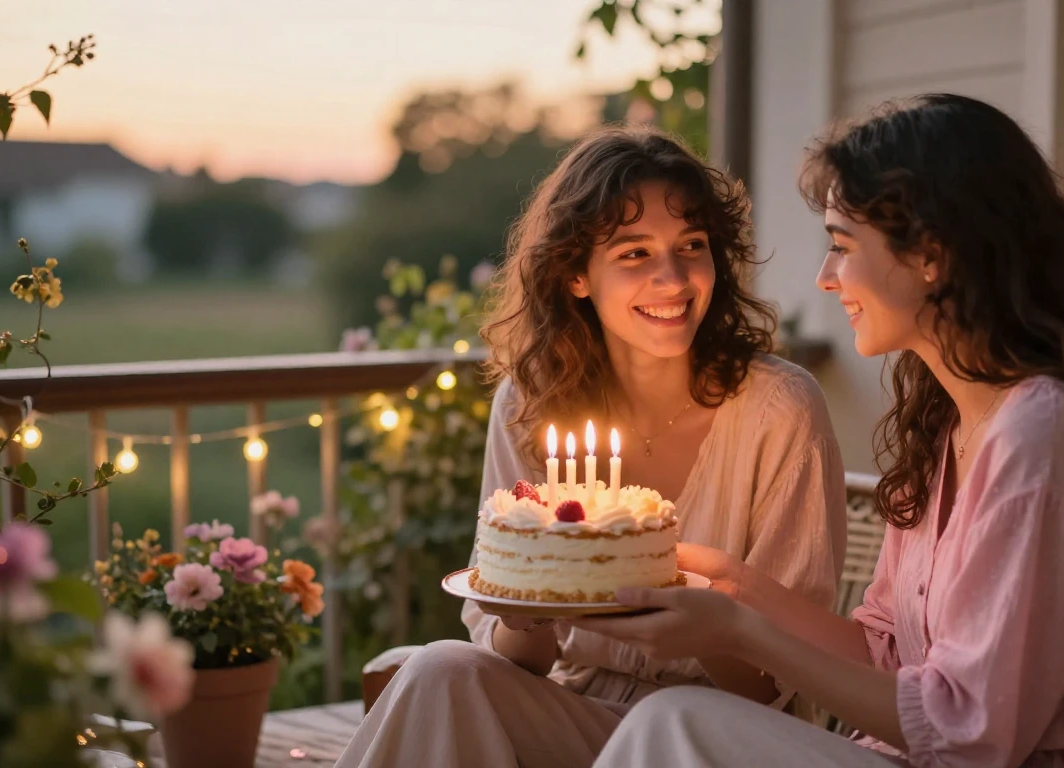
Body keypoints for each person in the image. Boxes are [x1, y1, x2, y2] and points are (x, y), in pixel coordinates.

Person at [575, 95, 1064, 768]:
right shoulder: (948, 424)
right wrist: (730, 586)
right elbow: (886, 652)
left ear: (932, 256)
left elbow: (969, 730)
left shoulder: (1046, 436)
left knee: (679, 725)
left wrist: (740, 633)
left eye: (841, 245)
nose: (825, 279)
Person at [335, 125, 847, 768]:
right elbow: (517, 657)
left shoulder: (780, 411)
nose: (674, 278)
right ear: (576, 274)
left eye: (693, 245)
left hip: (723, 731)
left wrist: (692, 617)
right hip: (573, 715)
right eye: (635, 254)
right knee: (440, 669)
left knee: (668, 713)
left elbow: (773, 680)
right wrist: (527, 611)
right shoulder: (529, 404)